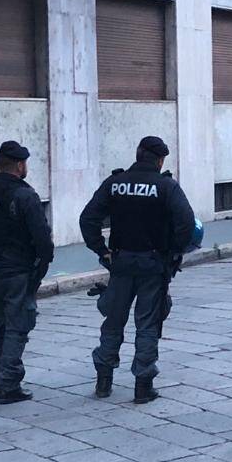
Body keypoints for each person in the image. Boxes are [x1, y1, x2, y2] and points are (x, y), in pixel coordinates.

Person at [79, 136, 196, 404]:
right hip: (153, 265)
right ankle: (143, 385)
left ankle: (104, 379)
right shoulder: (166, 186)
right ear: (160, 160)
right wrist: (173, 253)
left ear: (137, 154)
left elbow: (88, 218)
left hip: (120, 262)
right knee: (148, 323)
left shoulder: (115, 183)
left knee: (113, 321)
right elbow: (186, 224)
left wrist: (101, 250)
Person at [0, 141, 54, 404]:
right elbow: (43, 239)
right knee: (17, 328)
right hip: (17, 270)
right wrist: (39, 271)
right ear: (20, 165)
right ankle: (9, 384)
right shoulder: (24, 195)